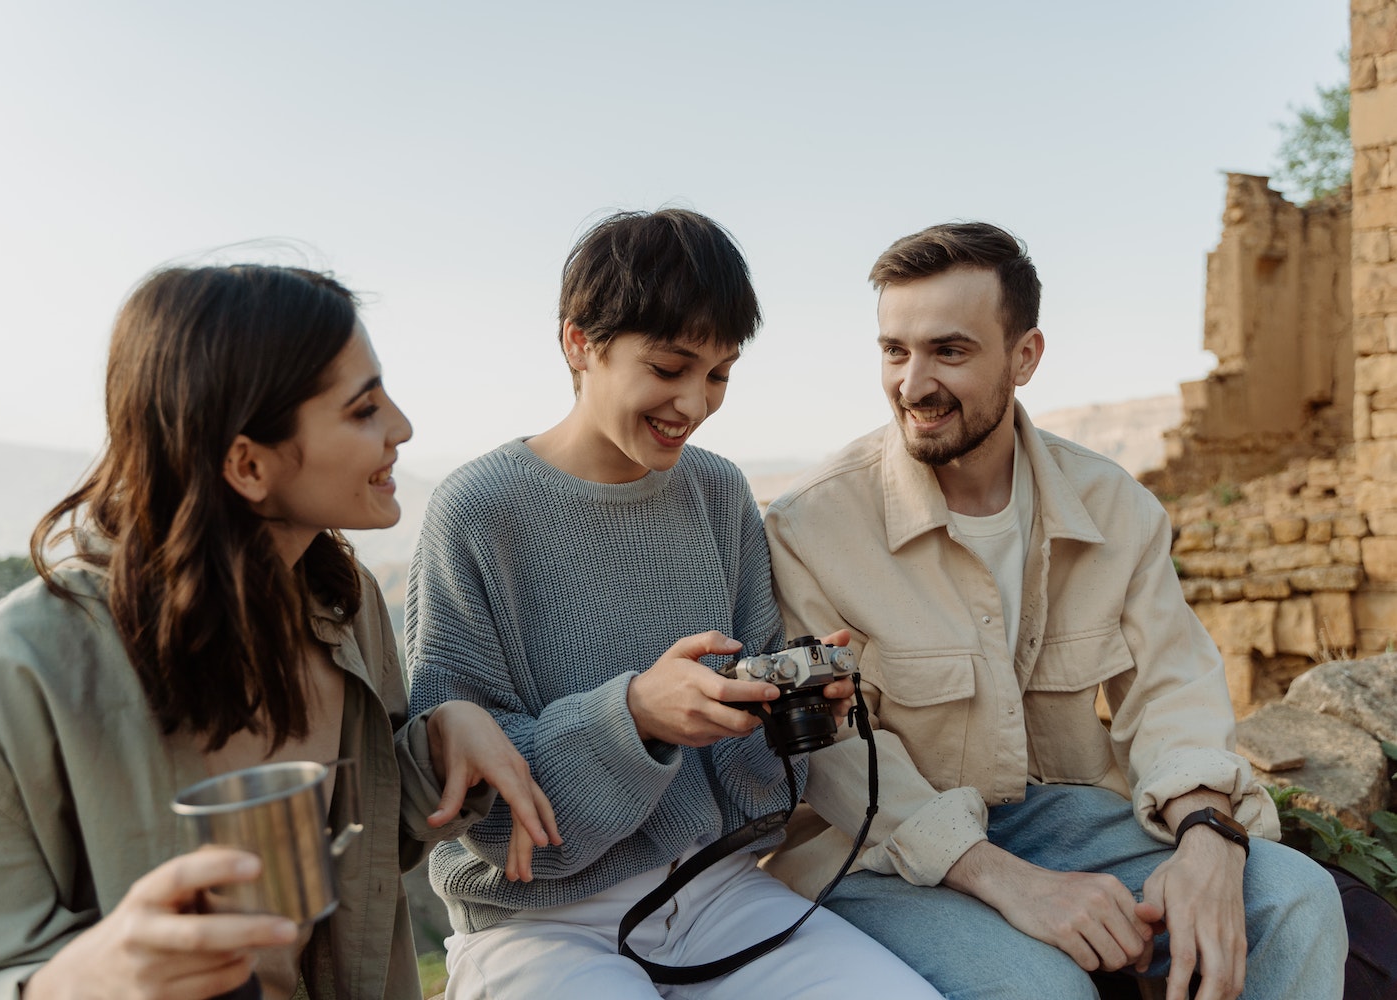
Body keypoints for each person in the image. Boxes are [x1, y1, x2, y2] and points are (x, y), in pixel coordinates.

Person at [0, 264, 559, 1000]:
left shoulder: (346, 606)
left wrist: (439, 744)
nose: (402, 429)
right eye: (364, 409)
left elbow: (363, 847)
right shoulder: (10, 675)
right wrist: (79, 984)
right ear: (247, 464)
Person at [760, 221, 1348, 1000]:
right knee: (1040, 987)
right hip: (875, 852)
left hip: (1063, 822)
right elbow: (830, 756)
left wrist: (1209, 834)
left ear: (1025, 356)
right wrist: (1008, 882)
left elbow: (1171, 687)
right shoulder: (812, 527)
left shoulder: (1116, 508)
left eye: (951, 351)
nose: (913, 382)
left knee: (1298, 902)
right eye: (895, 351)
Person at [404, 209, 940, 999]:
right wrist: (634, 718)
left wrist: (786, 711)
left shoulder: (718, 493)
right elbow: (479, 815)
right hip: (532, 923)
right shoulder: (478, 513)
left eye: (719, 374)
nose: (693, 403)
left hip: (716, 888)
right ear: (578, 343)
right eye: (667, 368)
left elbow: (751, 789)